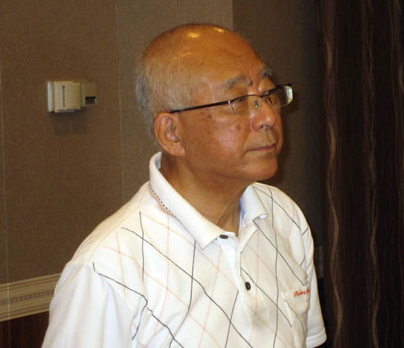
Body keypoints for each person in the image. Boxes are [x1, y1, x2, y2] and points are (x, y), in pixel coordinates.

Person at [42, 24, 326, 347]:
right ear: (172, 133)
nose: (269, 118)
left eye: (268, 94)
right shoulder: (110, 269)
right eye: (237, 101)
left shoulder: (285, 218)